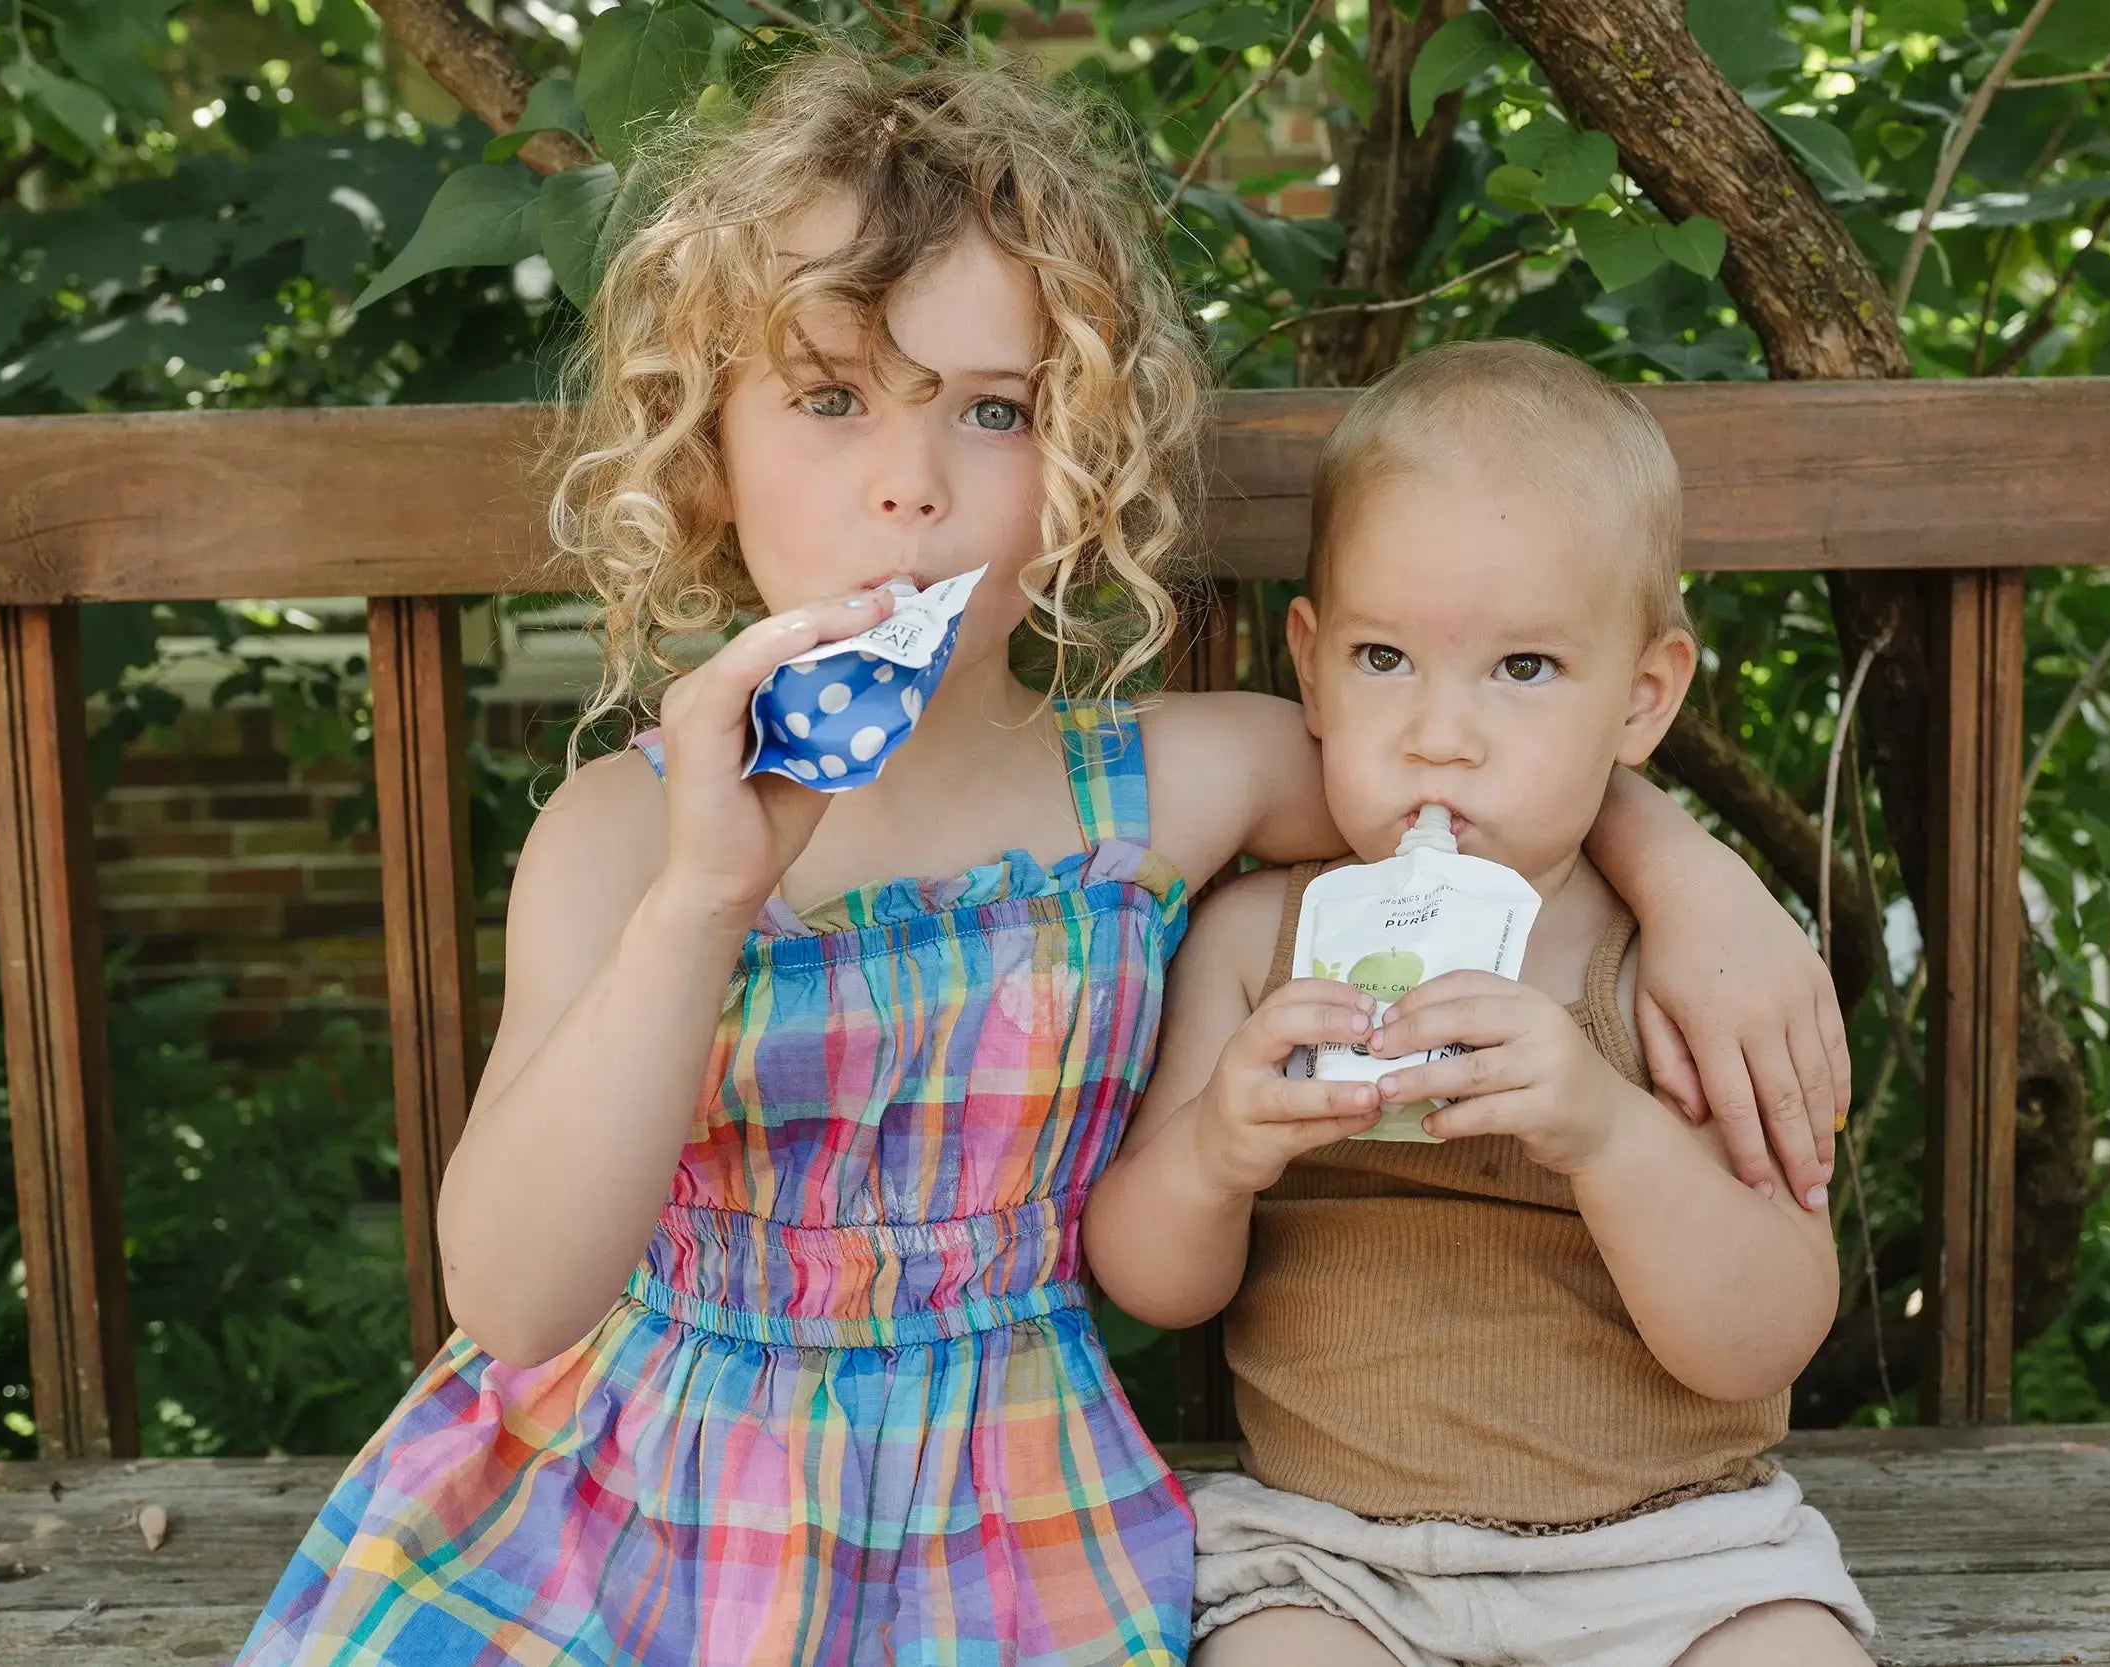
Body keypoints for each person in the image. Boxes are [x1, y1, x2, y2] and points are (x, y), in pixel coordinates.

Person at [238, 55, 1847, 1667]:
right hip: (640, 1511)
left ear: (1082, 455)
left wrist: (1692, 881)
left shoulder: (1163, 784)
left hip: (998, 1514)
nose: (910, 481)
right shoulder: (621, 833)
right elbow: (516, 1300)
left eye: (993, 410)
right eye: (829, 396)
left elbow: (1449, 771)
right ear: (708, 443)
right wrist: (704, 900)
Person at [1085, 341, 1874, 1667]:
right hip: (1336, 1561)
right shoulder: (1254, 944)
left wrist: (1606, 1134)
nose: (1440, 735)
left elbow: (1767, 1338)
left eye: (1523, 669)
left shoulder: (1678, 975)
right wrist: (1218, 1152)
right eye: (1384, 656)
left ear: (1643, 700)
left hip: (1680, 1558)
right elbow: (1151, 1283)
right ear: (1312, 667)